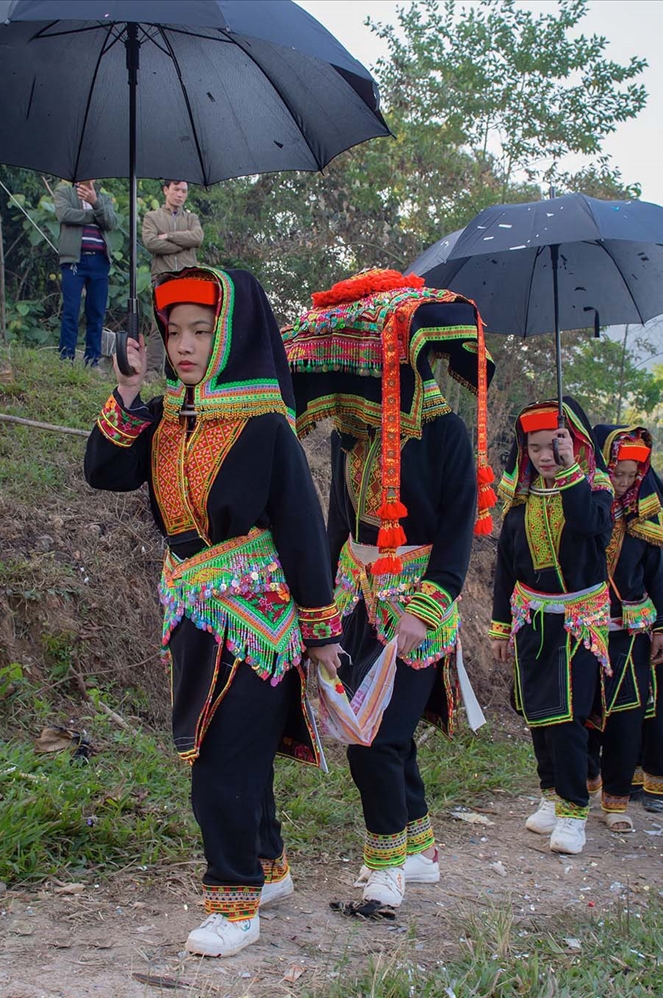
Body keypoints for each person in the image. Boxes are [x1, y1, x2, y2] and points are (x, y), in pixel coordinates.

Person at [84, 266, 344, 958]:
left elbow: (303, 529)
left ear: (233, 335)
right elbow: (102, 472)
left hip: (257, 617)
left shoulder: (265, 428)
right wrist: (131, 389)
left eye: (202, 331)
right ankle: (268, 866)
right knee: (234, 749)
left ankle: (234, 904)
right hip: (192, 608)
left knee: (220, 756)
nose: (185, 347)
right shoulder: (167, 419)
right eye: (174, 333)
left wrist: (321, 631)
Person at [283, 268, 496, 910]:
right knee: (383, 732)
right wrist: (316, 608)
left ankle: (386, 867)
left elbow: (461, 530)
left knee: (376, 735)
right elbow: (335, 526)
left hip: (416, 605)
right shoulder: (355, 439)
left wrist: (428, 608)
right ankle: (419, 845)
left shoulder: (446, 435)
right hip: (355, 600)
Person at [490, 398, 612, 855]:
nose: (545, 456)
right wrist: (501, 627)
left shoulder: (595, 493)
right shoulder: (519, 504)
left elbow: (586, 526)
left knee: (568, 717)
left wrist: (568, 472)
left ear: (576, 445)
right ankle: (548, 794)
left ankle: (574, 811)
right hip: (531, 619)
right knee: (537, 714)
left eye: (555, 446)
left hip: (579, 621)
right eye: (536, 448)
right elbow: (506, 567)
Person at [587, 425, 663, 832]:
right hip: (583, 627)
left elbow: (658, 576)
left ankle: (616, 804)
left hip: (630, 634)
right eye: (615, 472)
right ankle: (581, 787)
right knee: (582, 713)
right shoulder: (583, 506)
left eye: (629, 475)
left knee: (625, 717)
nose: (622, 482)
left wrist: (662, 628)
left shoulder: (647, 516)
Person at [55, 178, 119, 363]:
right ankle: (67, 357)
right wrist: (94, 215)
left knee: (96, 311)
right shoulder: (65, 193)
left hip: (100, 260)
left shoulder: (103, 198)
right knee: (71, 310)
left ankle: (93, 359)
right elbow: (64, 214)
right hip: (74, 259)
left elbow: (111, 222)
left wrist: (95, 203)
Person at [142, 179, 203, 276]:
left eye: (184, 191)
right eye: (176, 189)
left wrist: (168, 236)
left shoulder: (191, 218)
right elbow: (151, 243)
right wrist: (184, 245)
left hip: (188, 277)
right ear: (166, 190)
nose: (180, 195)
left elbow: (198, 238)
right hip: (162, 278)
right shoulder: (152, 217)